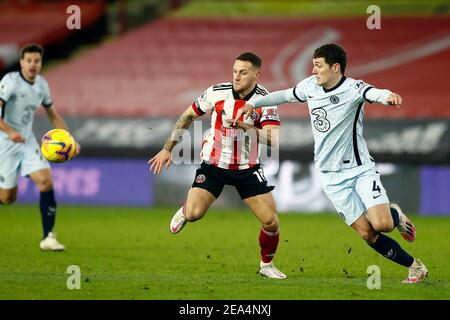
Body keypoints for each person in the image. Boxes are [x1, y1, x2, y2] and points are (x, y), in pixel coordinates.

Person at [233, 43, 428, 284]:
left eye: (318, 65)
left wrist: (388, 96)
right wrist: (254, 104)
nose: (313, 70)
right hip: (329, 176)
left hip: (359, 169)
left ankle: (394, 214)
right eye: (313, 65)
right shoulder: (309, 86)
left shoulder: (354, 88)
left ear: (335, 67)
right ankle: (415, 267)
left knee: (383, 224)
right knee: (368, 233)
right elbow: (284, 95)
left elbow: (374, 92)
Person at [149, 52, 286, 279]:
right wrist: (167, 149)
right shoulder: (216, 92)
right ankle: (186, 210)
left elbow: (273, 138)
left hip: (247, 169)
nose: (236, 76)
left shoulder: (265, 100)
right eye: (234, 71)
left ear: (257, 74)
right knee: (194, 214)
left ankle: (266, 265)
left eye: (243, 72)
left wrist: (244, 127)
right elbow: (187, 116)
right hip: (214, 165)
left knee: (271, 222)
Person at [0, 44, 80, 251]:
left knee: (45, 182)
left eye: (37, 61)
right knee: (7, 199)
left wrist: (70, 140)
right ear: (21, 63)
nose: (33, 64)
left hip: (27, 141)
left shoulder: (42, 85)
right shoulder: (10, 82)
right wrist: (9, 131)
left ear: (41, 63)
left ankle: (48, 237)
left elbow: (53, 115)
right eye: (29, 61)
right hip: (5, 142)